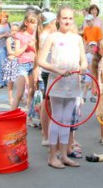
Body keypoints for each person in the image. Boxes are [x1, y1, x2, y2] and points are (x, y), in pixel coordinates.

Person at [38, 5, 87, 168]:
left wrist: (83, 69)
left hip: (73, 83)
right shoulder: (53, 37)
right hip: (57, 83)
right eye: (64, 18)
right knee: (57, 119)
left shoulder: (77, 38)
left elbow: (84, 60)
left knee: (67, 121)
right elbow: (41, 61)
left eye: (70, 18)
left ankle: (64, 155)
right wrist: (58, 70)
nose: (67, 21)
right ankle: (52, 156)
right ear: (58, 19)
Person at [11, 13, 39, 110]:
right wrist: (26, 46)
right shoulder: (19, 35)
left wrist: (33, 46)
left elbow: (39, 52)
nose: (35, 25)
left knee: (32, 92)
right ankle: (11, 116)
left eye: (36, 23)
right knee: (19, 93)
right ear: (26, 23)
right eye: (33, 23)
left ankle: (29, 116)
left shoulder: (36, 35)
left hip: (33, 65)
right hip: (22, 65)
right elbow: (17, 53)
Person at [37, 12, 57, 146]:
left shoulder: (43, 35)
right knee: (47, 103)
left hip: (47, 71)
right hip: (49, 71)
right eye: (55, 22)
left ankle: (46, 134)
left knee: (47, 102)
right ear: (51, 23)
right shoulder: (47, 36)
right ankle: (46, 134)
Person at [3, 23, 20, 105]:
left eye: (16, 30)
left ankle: (20, 96)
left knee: (20, 80)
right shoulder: (9, 39)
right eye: (12, 30)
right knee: (10, 81)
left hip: (18, 60)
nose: (14, 32)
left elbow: (18, 52)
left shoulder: (19, 39)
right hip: (11, 61)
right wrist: (15, 54)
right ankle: (10, 97)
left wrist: (15, 54)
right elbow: (9, 51)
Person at [0, 11, 11, 89]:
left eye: (6, 17)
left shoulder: (9, 25)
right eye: (3, 17)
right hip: (0, 47)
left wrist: (10, 35)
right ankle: (1, 82)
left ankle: (7, 82)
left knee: (8, 65)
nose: (5, 18)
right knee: (1, 65)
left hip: (8, 47)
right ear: (0, 17)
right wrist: (4, 35)